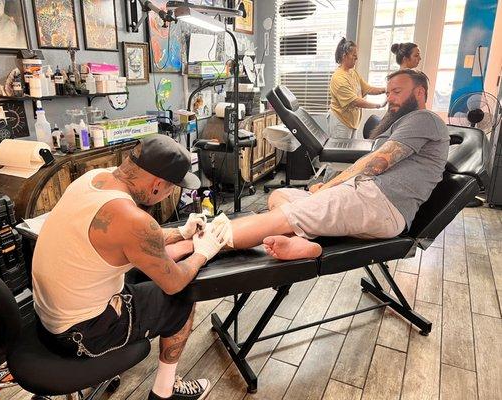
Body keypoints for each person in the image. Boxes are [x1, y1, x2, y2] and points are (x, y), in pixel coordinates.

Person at [32, 134, 230, 400]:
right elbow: (174, 282)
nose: (171, 193)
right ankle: (165, 391)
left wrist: (181, 233)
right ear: (158, 185)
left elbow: (128, 237)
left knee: (139, 275)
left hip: (47, 319)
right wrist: (203, 254)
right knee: (184, 296)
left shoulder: (92, 179)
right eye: (173, 187)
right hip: (82, 336)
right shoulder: (133, 220)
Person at [209, 69, 450, 261]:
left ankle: (197, 244)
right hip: (367, 196)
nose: (390, 99)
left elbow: (378, 162)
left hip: (381, 204)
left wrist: (327, 188)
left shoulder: (423, 118)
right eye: (388, 93)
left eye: (396, 92)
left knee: (281, 217)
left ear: (420, 93)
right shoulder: (407, 122)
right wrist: (328, 187)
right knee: (279, 196)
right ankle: (306, 242)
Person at [329, 38, 386, 139]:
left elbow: (368, 89)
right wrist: (378, 105)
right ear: (344, 56)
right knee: (341, 153)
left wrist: (386, 89)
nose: (356, 58)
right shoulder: (339, 78)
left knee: (350, 151)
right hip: (340, 123)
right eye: (354, 55)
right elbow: (355, 102)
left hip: (352, 122)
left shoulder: (352, 72)